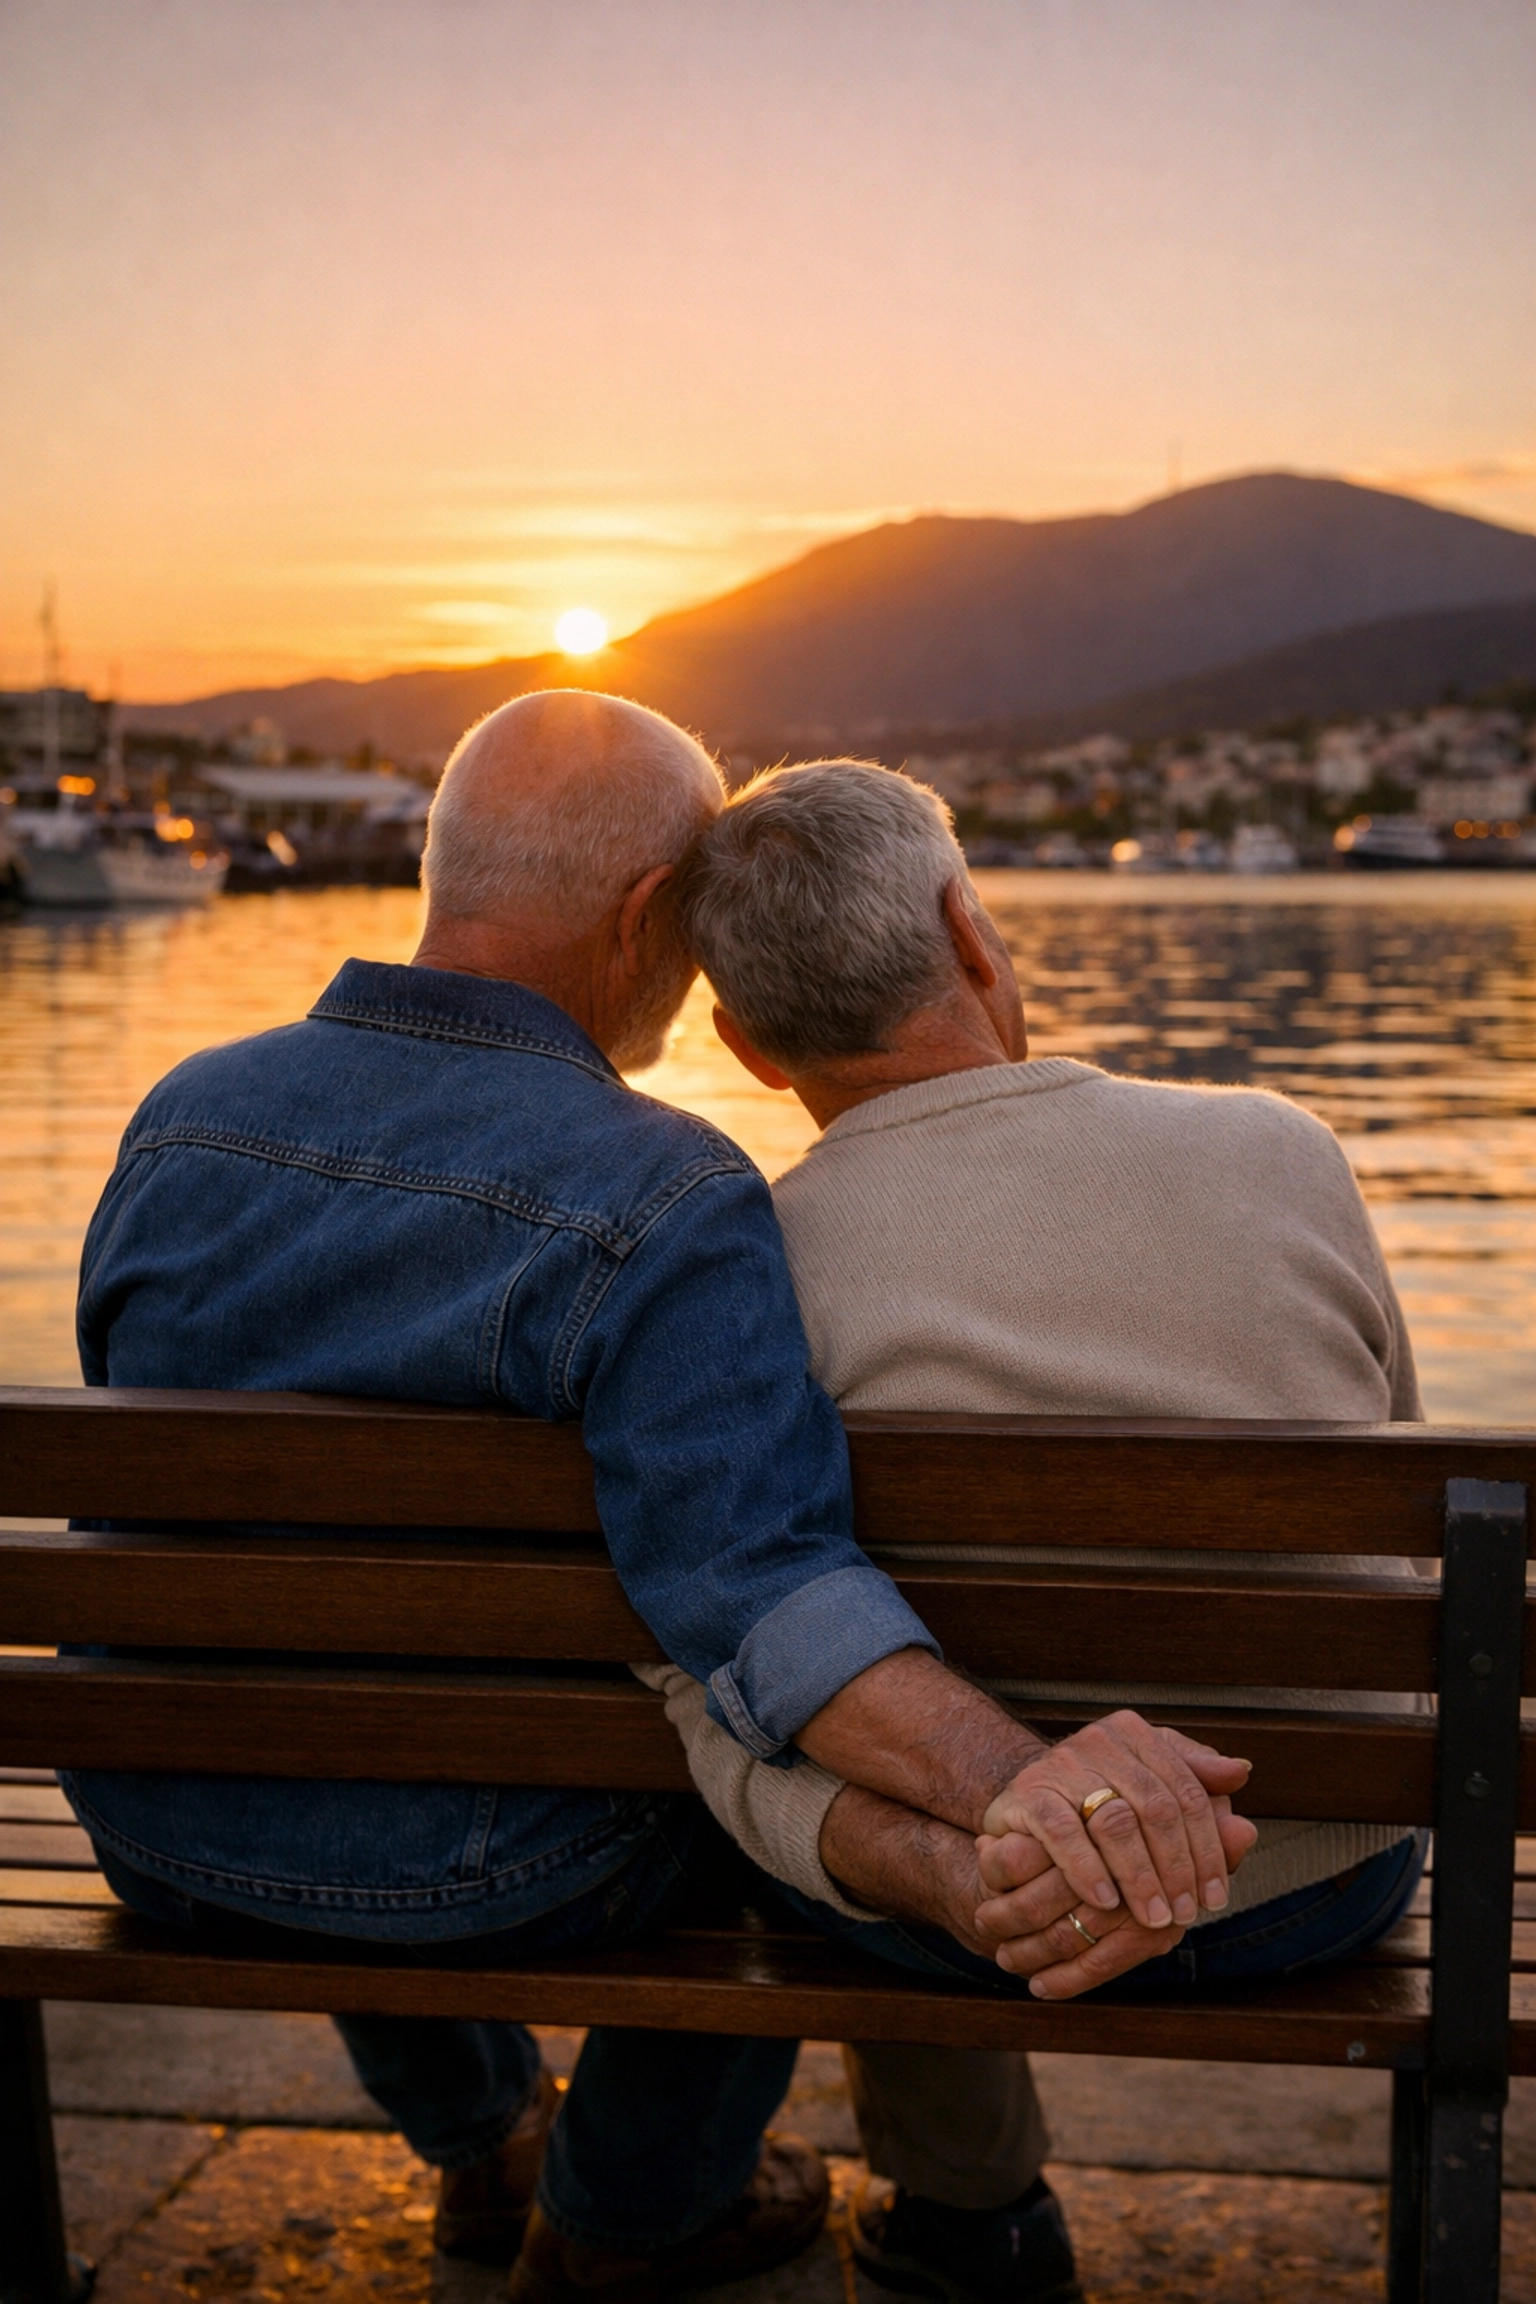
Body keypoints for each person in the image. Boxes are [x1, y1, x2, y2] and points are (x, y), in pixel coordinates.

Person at [63, 693, 1249, 2304]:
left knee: (318, 1686)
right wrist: (1035, 1791)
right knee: (756, 1795)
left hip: (158, 1820)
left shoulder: (177, 1120)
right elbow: (763, 1599)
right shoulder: (662, 1190)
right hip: (498, 1862)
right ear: (644, 920)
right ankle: (626, 2213)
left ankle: (483, 2141)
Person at [658, 757, 1430, 2304]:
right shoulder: (1283, 1150)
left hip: (966, 1909)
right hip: (1321, 1868)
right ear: (973, 929)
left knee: (767, 1719)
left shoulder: (752, 1267)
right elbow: (1402, 1523)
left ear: (741, 1047)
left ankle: (971, 2216)